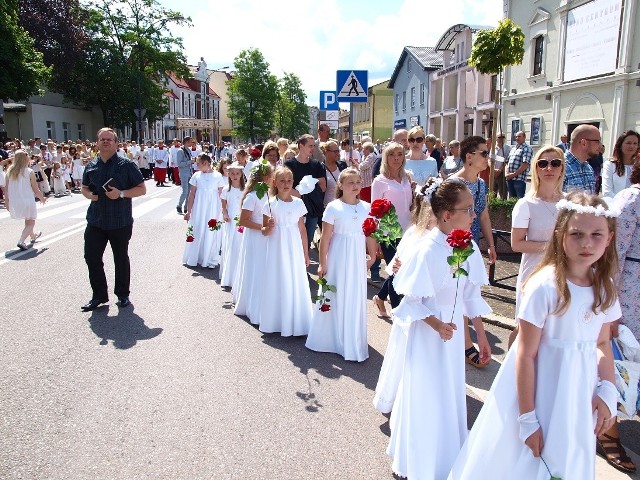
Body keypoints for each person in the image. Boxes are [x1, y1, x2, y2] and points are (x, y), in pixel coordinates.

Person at [448, 192, 621, 480]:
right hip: (542, 387)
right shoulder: (545, 286)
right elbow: (526, 353)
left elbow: (602, 342)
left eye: (596, 234)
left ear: (610, 238)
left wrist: (608, 391)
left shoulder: (605, 287)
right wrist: (528, 418)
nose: (587, 242)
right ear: (560, 235)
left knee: (568, 456)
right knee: (526, 462)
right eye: (576, 234)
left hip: (579, 388)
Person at [387, 180, 492, 479]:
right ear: (446, 215)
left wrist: (481, 336)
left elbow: (471, 295)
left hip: (453, 330)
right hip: (429, 333)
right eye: (468, 209)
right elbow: (411, 300)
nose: (474, 215)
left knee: (449, 391)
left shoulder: (467, 247)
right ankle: (420, 459)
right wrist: (436, 323)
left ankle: (447, 453)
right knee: (426, 392)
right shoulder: (426, 251)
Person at [372, 180, 436, 414]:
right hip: (413, 303)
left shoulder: (447, 240)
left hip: (435, 304)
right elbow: (395, 270)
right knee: (409, 351)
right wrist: (398, 266)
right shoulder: (414, 235)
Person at [305, 168, 376, 361]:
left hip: (356, 255)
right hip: (338, 255)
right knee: (335, 292)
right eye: (350, 182)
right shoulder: (333, 207)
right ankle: (330, 338)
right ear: (341, 185)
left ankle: (352, 336)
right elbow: (326, 238)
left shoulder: (367, 207)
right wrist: (322, 263)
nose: (355, 186)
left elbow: (369, 233)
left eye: (358, 182)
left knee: (354, 293)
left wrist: (372, 256)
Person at [80, 128, 146, 311]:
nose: (106, 142)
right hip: (96, 220)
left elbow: (142, 189)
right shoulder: (91, 165)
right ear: (97, 142)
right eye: (102, 139)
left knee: (120, 258)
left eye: (109, 139)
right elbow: (84, 187)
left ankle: (123, 294)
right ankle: (99, 295)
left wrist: (122, 193)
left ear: (116, 143)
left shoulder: (126, 165)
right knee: (91, 257)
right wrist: (89, 196)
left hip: (120, 221)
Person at [509, 146, 565, 347]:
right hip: (533, 273)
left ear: (561, 168)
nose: (549, 168)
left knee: (552, 330)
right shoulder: (526, 204)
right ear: (536, 169)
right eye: (543, 163)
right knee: (524, 328)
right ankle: (512, 373)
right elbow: (516, 243)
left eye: (555, 163)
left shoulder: (569, 204)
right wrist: (553, 246)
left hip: (562, 274)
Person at [604, 168, 640, 474]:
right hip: (631, 295)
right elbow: (613, 255)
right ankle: (608, 430)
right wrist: (610, 309)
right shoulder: (632, 198)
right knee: (618, 365)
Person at [450, 136, 496, 368]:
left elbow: (484, 215)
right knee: (459, 289)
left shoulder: (480, 183)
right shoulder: (452, 184)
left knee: (470, 289)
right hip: (454, 242)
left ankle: (465, 341)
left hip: (472, 242)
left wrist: (490, 244)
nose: (488, 158)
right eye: (484, 153)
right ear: (469, 157)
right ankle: (466, 343)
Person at [256, 167, 313, 336]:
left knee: (294, 278)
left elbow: (302, 230)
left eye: (289, 180)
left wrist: (306, 252)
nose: (286, 184)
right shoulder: (270, 203)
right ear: (274, 183)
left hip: (294, 246)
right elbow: (264, 231)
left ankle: (297, 319)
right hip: (276, 246)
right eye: (282, 180)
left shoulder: (298, 203)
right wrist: (269, 227)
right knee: (278, 278)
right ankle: (277, 320)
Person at [370, 142, 413, 317]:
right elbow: (374, 211)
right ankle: (398, 313)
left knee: (401, 271)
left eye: (400, 154)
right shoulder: (380, 181)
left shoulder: (407, 178)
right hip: (389, 232)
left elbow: (410, 206)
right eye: (392, 154)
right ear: (386, 157)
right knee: (397, 272)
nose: (396, 158)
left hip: (408, 231)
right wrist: (376, 239)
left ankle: (380, 297)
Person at [232, 162, 274, 320]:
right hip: (255, 237)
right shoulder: (252, 196)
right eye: (271, 175)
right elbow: (243, 221)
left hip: (265, 237)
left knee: (264, 269)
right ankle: (252, 305)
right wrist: (261, 228)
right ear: (265, 177)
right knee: (256, 269)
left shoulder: (268, 194)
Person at [182, 154, 225, 269]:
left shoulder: (218, 176)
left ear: (206, 163)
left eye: (198, 163)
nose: (196, 165)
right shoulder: (196, 175)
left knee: (211, 231)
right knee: (198, 229)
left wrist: (224, 210)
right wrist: (188, 211)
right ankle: (195, 256)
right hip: (199, 208)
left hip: (213, 208)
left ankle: (209, 258)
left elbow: (222, 194)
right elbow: (191, 195)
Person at [285, 134, 327, 249]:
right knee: (293, 240)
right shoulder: (289, 165)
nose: (312, 148)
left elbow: (323, 186)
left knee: (307, 241)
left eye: (314, 146)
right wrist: (300, 194)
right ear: (301, 146)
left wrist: (310, 184)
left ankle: (304, 263)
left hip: (311, 210)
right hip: (293, 209)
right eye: (310, 146)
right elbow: (284, 186)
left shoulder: (316, 165)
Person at [4, 149, 46, 250]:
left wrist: (7, 201)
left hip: (15, 201)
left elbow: (6, 190)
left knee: (28, 220)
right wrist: (42, 198)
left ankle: (33, 235)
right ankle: (21, 241)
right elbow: (36, 189)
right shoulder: (29, 171)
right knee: (31, 222)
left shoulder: (9, 171)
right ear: (25, 159)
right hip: (27, 199)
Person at [219, 163, 245, 288]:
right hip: (230, 220)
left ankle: (239, 275)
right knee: (231, 244)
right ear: (229, 175)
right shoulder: (226, 189)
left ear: (241, 175)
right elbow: (224, 205)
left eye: (237, 174)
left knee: (240, 245)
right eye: (232, 174)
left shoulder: (244, 190)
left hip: (241, 220)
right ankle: (229, 275)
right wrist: (225, 214)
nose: (235, 176)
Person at [601, 130, 639, 198]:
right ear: (620, 145)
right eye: (628, 143)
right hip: (615, 205)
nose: (632, 146)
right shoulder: (610, 165)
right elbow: (607, 193)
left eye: (635, 143)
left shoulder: (638, 165)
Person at [563, 124, 599, 194]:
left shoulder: (589, 168)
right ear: (584, 143)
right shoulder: (559, 166)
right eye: (597, 141)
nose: (600, 146)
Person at [320, 140, 347, 208]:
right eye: (335, 151)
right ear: (326, 152)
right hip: (326, 207)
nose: (338, 153)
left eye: (338, 151)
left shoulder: (342, 165)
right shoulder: (319, 169)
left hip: (343, 205)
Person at [506, 131, 532, 199]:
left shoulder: (527, 148)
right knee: (511, 201)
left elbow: (525, 164)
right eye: (516, 137)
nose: (517, 138)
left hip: (519, 180)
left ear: (524, 137)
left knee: (519, 201)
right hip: (510, 179)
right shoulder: (513, 148)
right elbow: (507, 162)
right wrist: (507, 173)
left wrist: (513, 174)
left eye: (519, 136)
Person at [176, 136, 194, 214]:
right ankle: (179, 205)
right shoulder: (180, 151)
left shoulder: (188, 150)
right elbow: (179, 164)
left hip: (189, 173)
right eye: (190, 142)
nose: (191, 143)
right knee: (185, 191)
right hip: (184, 173)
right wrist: (190, 162)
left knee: (189, 192)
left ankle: (186, 207)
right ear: (186, 142)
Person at [492, 133, 511, 198]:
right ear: (496, 138)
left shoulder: (507, 148)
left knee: (502, 193)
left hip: (501, 173)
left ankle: (502, 207)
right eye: (499, 137)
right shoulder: (493, 148)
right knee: (492, 193)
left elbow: (506, 161)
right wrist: (493, 169)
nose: (501, 139)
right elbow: (489, 159)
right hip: (493, 173)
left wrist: (500, 170)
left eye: (503, 137)